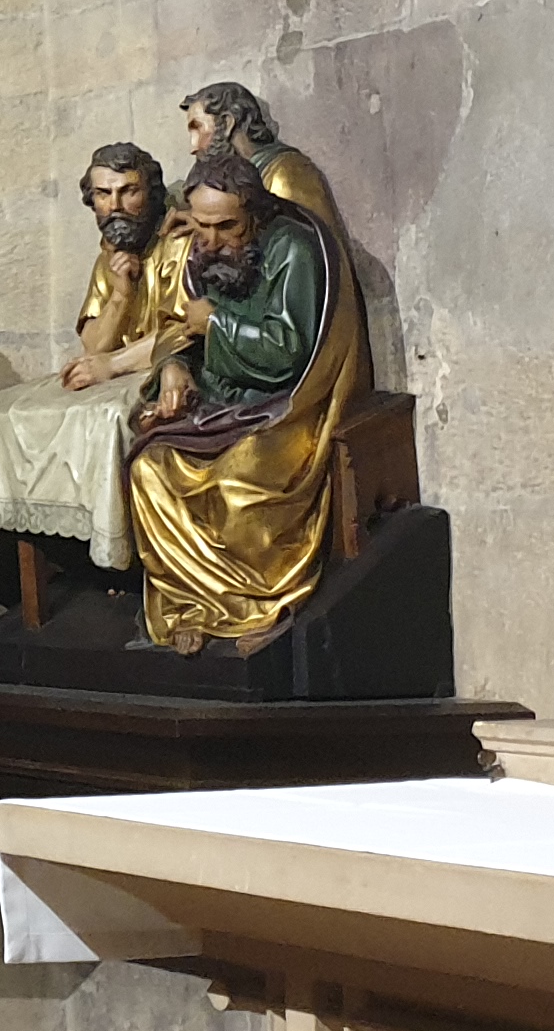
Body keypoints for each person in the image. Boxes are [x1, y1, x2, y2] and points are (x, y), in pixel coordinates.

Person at [124, 142, 373, 651]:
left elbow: (289, 351)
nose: (211, 241)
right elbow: (178, 330)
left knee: (240, 480)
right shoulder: (202, 251)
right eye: (201, 226)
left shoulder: (292, 251)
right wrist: (174, 369)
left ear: (254, 216)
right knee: (149, 469)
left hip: (283, 405)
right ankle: (193, 605)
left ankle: (257, 604)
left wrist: (216, 323)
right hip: (219, 403)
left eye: (226, 227)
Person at [61, 142, 181, 391]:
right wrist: (121, 296)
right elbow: (94, 346)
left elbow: (187, 333)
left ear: (152, 195)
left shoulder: (179, 243)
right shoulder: (109, 257)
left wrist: (114, 364)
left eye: (129, 191)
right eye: (103, 194)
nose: (114, 205)